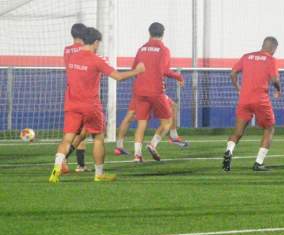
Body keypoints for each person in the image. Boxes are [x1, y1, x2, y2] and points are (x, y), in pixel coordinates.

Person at [49, 27, 144, 183]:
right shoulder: (96, 60)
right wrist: (137, 70)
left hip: (72, 104)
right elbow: (118, 77)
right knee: (98, 138)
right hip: (90, 105)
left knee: (67, 138)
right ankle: (99, 174)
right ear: (95, 42)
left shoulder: (72, 57)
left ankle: (55, 171)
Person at [223, 37, 281, 172]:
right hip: (260, 100)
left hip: (244, 99)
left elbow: (233, 73)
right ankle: (259, 163)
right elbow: (274, 79)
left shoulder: (246, 57)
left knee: (238, 132)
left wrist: (238, 88)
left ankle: (229, 150)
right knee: (269, 128)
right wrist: (278, 89)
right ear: (273, 48)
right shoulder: (271, 60)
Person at [131, 22, 184, 162]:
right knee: (167, 121)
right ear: (163, 34)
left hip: (140, 90)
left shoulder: (141, 49)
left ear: (149, 33)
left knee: (142, 123)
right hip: (156, 91)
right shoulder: (163, 50)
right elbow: (164, 70)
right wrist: (178, 76)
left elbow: (134, 69)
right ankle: (153, 144)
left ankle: (137, 155)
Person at [114, 94, 187, 157]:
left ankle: (120, 147)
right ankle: (152, 145)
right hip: (153, 92)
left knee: (130, 116)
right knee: (166, 118)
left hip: (139, 92)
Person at [61, 22, 89, 174]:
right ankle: (65, 159)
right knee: (83, 132)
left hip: (70, 94)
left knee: (73, 132)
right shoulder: (84, 50)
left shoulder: (67, 50)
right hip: (84, 94)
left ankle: (78, 164)